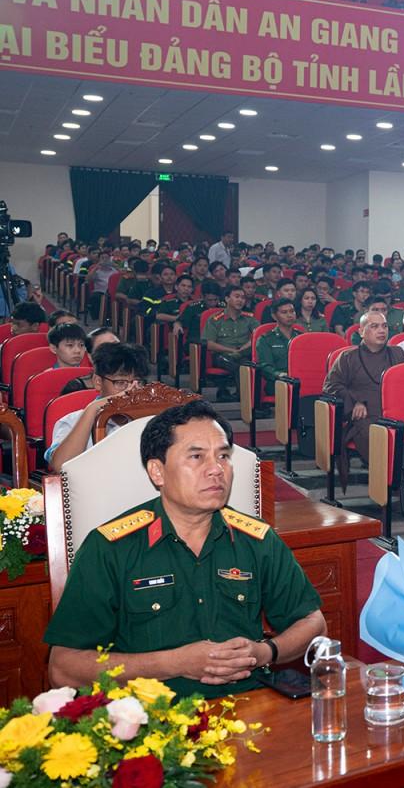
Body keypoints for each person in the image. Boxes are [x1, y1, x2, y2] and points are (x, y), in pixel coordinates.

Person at [44, 400, 325, 696]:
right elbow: (63, 669)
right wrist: (174, 663)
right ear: (157, 472)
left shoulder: (256, 538)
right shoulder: (111, 547)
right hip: (152, 714)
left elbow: (313, 623)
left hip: (249, 703)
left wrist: (265, 652)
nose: (216, 469)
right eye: (196, 456)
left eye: (223, 456)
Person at [323, 311, 404, 472]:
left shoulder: (398, 354)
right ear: (361, 332)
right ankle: (386, 478)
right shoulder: (348, 357)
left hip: (397, 413)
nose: (381, 330)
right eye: (374, 326)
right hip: (366, 414)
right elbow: (331, 386)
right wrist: (354, 401)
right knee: (373, 436)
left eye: (384, 326)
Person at [46, 343, 149, 468]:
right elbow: (60, 466)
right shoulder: (72, 421)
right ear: (98, 382)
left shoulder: (150, 418)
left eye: (138, 382)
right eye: (121, 382)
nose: (130, 390)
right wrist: (92, 409)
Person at [202, 286, 254, 400]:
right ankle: (243, 397)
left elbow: (259, 337)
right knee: (237, 367)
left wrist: (243, 348)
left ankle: (248, 398)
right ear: (227, 299)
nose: (240, 300)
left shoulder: (249, 318)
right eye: (237, 297)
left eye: (243, 298)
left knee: (249, 366)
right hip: (222, 355)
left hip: (243, 354)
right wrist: (231, 350)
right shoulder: (215, 319)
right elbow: (209, 344)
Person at [254, 298, 299, 383]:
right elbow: (265, 367)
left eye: (292, 311)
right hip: (278, 383)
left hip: (301, 381)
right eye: (284, 312)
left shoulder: (301, 337)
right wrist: (279, 375)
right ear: (274, 316)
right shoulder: (265, 339)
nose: (289, 315)